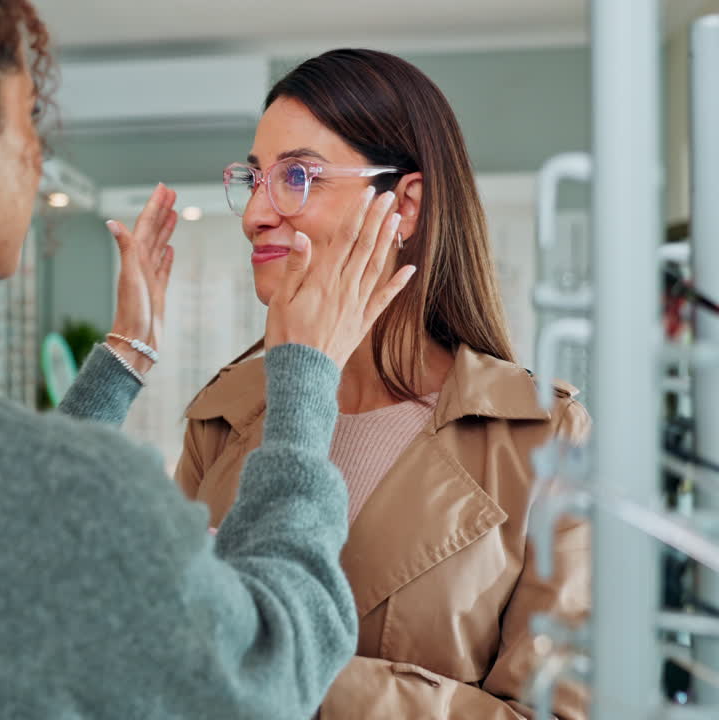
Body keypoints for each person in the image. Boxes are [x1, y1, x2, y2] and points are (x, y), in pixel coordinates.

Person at [0, 3, 415, 718]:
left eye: (300, 177)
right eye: (30, 117)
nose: (37, 155)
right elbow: (265, 670)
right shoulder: (74, 489)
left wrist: (122, 356)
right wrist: (306, 377)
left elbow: (27, 544)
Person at [176, 48, 591, 719]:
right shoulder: (220, 420)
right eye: (254, 179)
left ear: (405, 205)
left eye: (299, 176)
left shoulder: (543, 439)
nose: (255, 213)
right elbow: (150, 658)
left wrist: (287, 670)